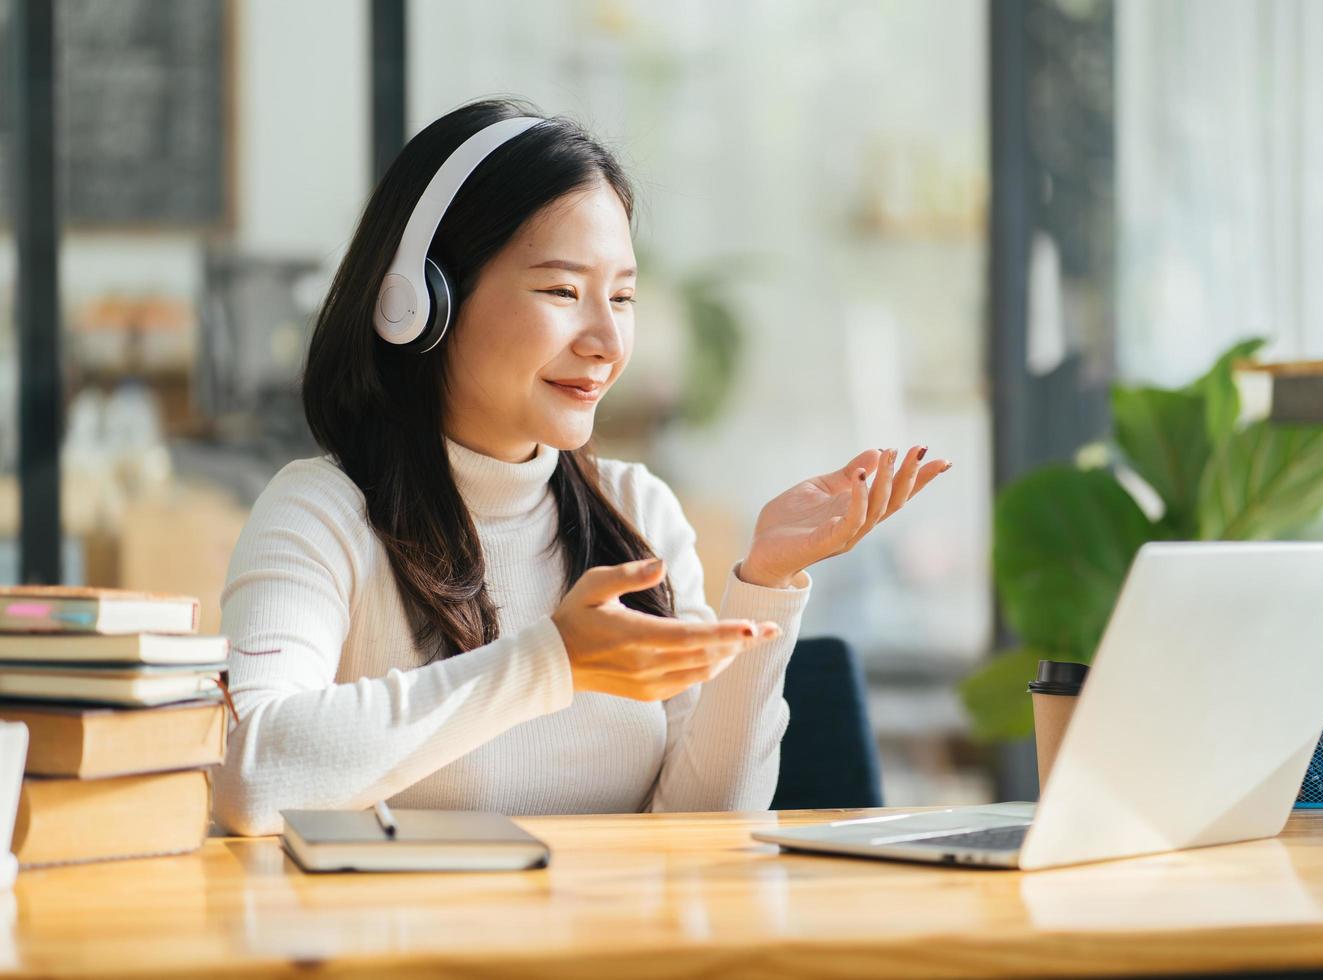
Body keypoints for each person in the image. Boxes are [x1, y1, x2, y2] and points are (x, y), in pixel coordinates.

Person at [213, 98, 949, 836]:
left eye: (623, 297)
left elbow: (704, 827)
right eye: (563, 291)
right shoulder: (323, 512)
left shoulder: (639, 510)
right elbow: (249, 772)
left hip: (616, 945)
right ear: (421, 302)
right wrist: (549, 662)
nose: (606, 340)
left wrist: (767, 583)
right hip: (412, 949)